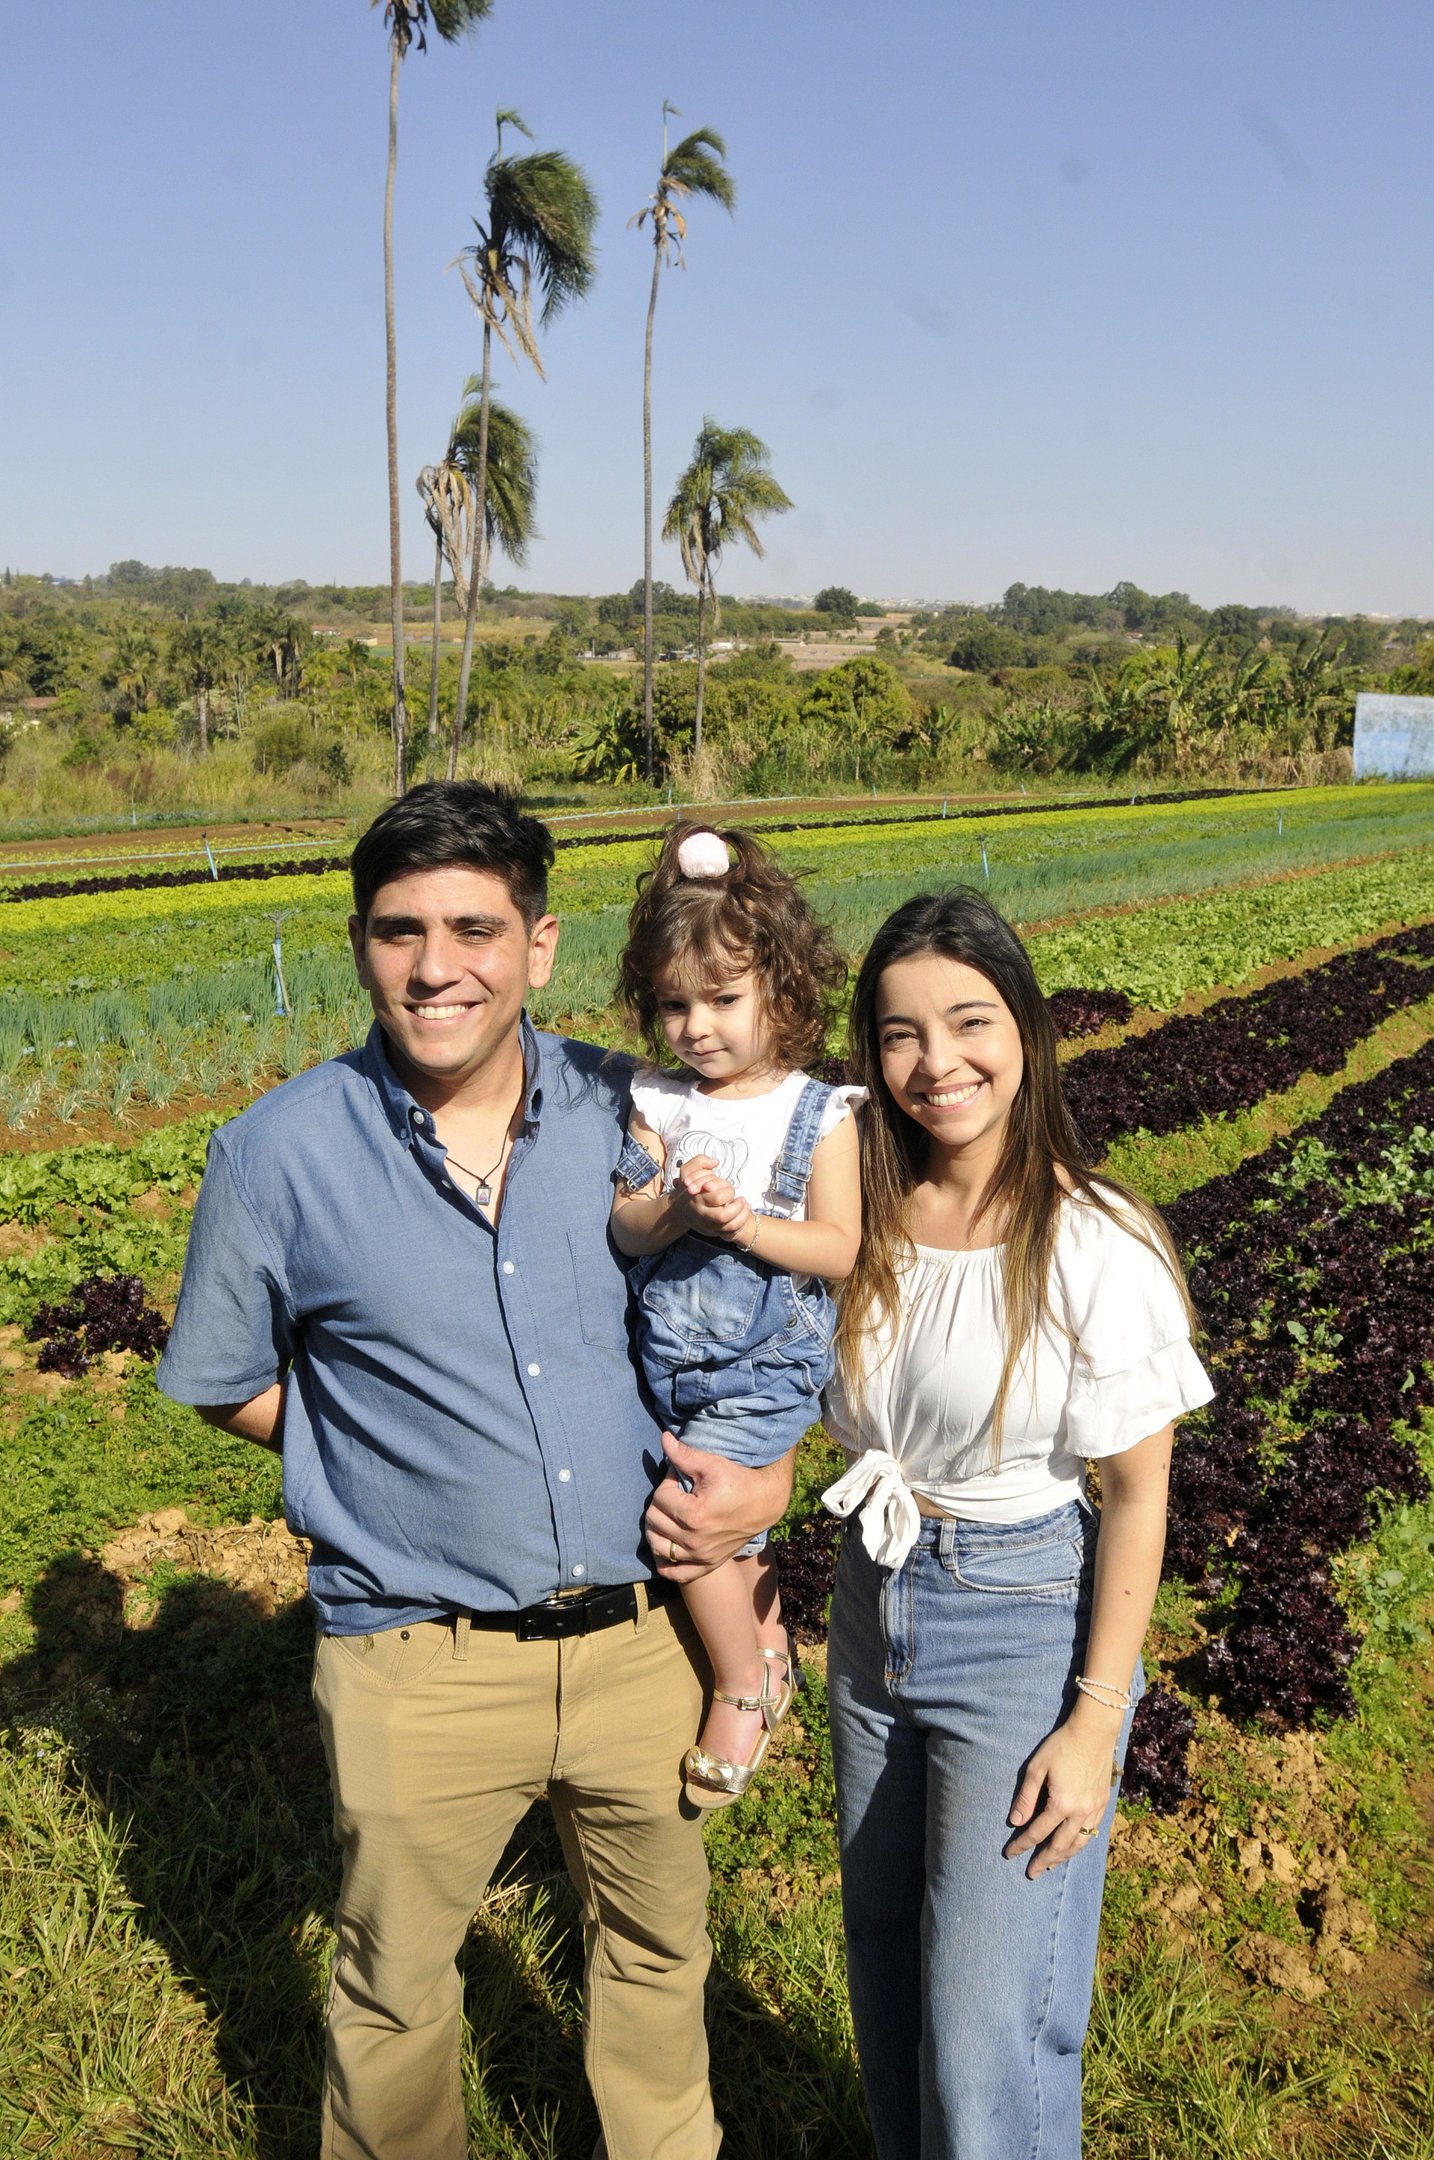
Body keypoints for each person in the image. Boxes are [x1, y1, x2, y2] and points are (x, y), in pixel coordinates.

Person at [156, 782, 791, 2160]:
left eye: (472, 928)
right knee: (394, 1987)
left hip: (642, 1646)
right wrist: (363, 1450)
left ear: (539, 946)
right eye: (399, 931)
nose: (435, 965)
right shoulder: (277, 1154)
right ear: (358, 944)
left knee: (654, 1955)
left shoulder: (642, 1116)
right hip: (415, 1658)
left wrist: (772, 1476)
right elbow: (223, 1381)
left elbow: (754, 1322)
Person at [821, 889, 1214, 2160]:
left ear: (1028, 1032)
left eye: (969, 1020)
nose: (937, 1063)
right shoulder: (855, 1226)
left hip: (1019, 1618)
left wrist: (1098, 1719)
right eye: (898, 1033)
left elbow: (1139, 1493)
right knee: (885, 1962)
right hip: (872, 1599)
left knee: (990, 2023)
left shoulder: (1092, 1241)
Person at [610, 823, 861, 1804]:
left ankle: (740, 1687)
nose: (695, 1028)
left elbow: (837, 1247)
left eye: (721, 1000)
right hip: (663, 1353)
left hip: (767, 1362)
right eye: (673, 1005)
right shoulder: (659, 1102)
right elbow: (628, 1228)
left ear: (783, 993)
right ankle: (771, 1642)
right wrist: (673, 1207)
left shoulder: (815, 1112)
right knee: (730, 1531)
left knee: (688, 1525)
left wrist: (748, 1225)